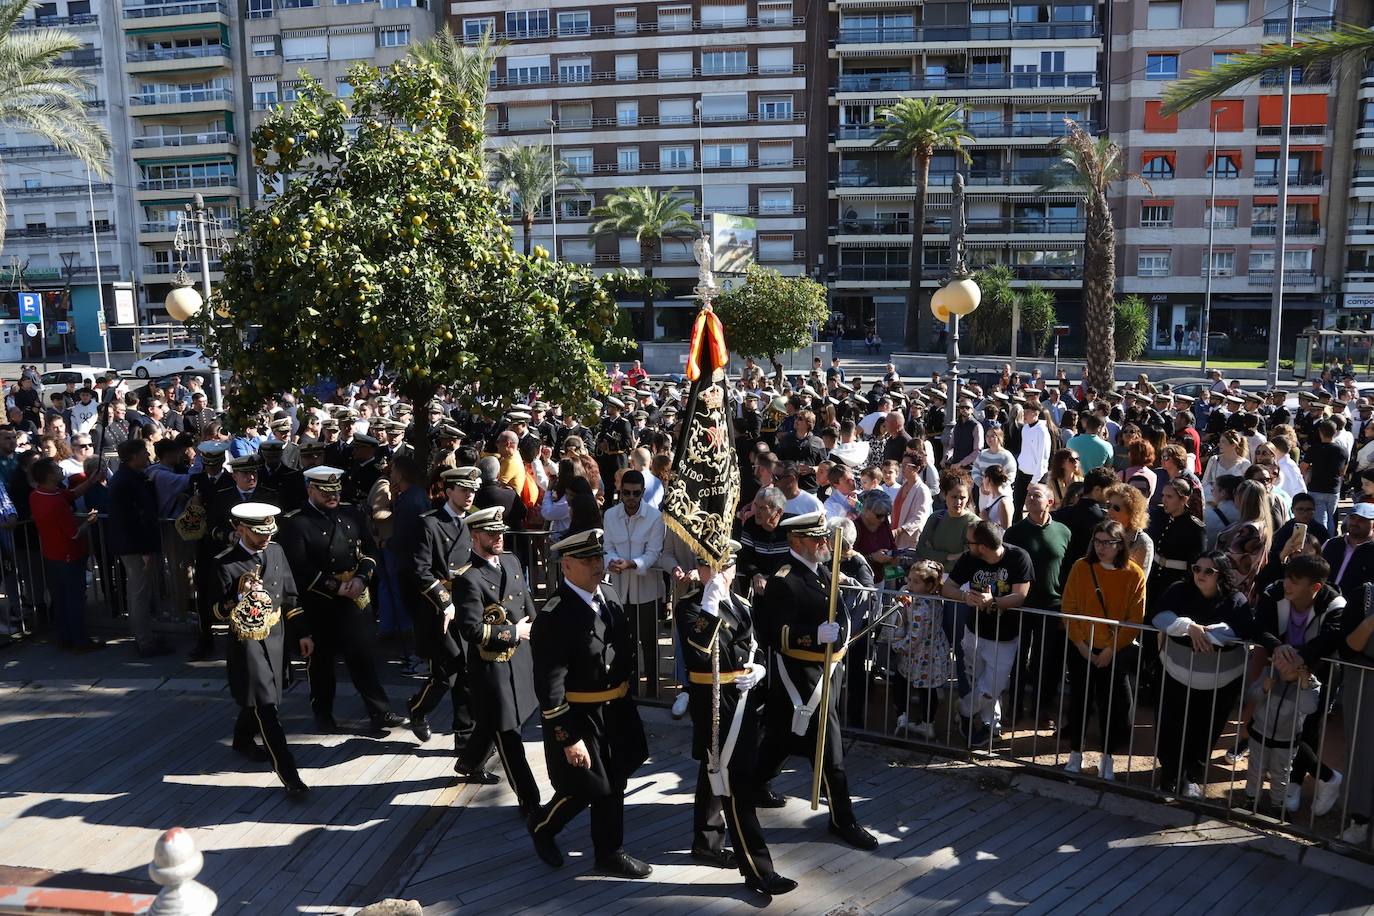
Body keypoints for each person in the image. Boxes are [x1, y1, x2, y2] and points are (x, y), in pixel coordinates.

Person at [527, 527, 652, 878]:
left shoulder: (609, 595)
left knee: (614, 781)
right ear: (566, 566)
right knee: (583, 787)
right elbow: (550, 688)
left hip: (615, 709)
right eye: (588, 560)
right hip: (580, 715)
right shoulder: (555, 617)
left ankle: (609, 852)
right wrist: (568, 737)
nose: (598, 564)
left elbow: (622, 651)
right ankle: (543, 826)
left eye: (599, 557)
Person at [674, 541, 797, 898]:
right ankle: (759, 870)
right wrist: (709, 604)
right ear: (702, 570)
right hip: (714, 702)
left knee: (714, 769)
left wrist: (758, 670)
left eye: (726, 567)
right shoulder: (690, 607)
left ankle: (706, 841)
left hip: (742, 698)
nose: (721, 575)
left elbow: (753, 646)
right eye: (712, 567)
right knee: (736, 784)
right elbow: (698, 649)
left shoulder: (741, 604)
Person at [751, 511, 878, 850]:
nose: (825, 542)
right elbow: (775, 632)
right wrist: (813, 635)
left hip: (827, 672)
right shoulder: (784, 579)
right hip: (801, 679)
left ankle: (753, 786)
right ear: (797, 541)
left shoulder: (820, 570)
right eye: (817, 538)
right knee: (829, 749)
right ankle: (843, 818)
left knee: (780, 737)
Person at [279, 466, 404, 734]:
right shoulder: (297, 522)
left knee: (362, 657)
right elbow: (299, 567)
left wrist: (361, 579)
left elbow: (370, 550)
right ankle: (323, 713)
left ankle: (379, 711)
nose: (333, 496)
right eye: (326, 492)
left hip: (353, 598)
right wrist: (336, 586)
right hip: (320, 603)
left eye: (336, 490)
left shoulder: (350, 513)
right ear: (310, 490)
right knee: (321, 664)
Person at [215, 501, 311, 799]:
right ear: (241, 529)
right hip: (247, 643)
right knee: (267, 708)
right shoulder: (224, 562)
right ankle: (290, 776)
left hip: (277, 638)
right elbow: (214, 611)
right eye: (259, 533)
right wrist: (236, 598)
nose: (265, 538)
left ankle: (242, 740)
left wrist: (304, 633)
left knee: (263, 700)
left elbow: (291, 596)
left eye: (269, 532)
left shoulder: (277, 551)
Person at [449, 505, 541, 801]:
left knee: (494, 722)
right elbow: (471, 631)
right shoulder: (467, 578)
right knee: (509, 734)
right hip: (491, 666)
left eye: (500, 532)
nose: (498, 538)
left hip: (520, 659)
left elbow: (526, 603)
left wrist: (539, 636)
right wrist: (515, 633)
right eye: (491, 533)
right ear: (475, 536)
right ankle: (531, 802)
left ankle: (469, 761)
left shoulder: (511, 561)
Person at [1151, 551, 1256, 797]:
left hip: (1220, 682)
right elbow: (1159, 615)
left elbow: (1243, 630)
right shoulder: (1179, 590)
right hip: (1175, 675)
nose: (1200, 575)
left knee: (1205, 729)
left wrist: (1206, 633)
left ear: (1221, 575)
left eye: (1208, 571)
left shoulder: (1235, 599)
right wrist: (1188, 626)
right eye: (1197, 568)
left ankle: (1193, 778)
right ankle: (1169, 778)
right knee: (1170, 727)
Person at [1251, 554, 1347, 816]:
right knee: (1273, 725)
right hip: (1281, 667)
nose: (1287, 584)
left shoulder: (1336, 604)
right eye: (1287, 577)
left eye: (1295, 581)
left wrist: (1299, 658)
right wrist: (1279, 648)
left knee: (1307, 730)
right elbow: (1260, 626)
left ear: (1315, 587)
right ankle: (1327, 777)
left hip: (1318, 674)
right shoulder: (1273, 592)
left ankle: (1295, 783)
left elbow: (1331, 637)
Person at [1060, 520, 1146, 780]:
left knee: (1113, 706)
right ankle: (1076, 752)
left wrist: (1111, 649)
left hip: (1115, 652)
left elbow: (1134, 619)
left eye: (1108, 542)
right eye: (1097, 541)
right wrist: (1081, 645)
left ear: (1121, 544)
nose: (1101, 547)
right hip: (1082, 648)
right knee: (1079, 702)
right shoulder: (1081, 567)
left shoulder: (1134, 574)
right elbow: (1069, 607)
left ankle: (1107, 757)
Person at [406, 466, 481, 749]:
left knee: (465, 673)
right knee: (444, 675)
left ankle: (464, 737)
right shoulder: (430, 524)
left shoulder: (475, 521)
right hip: (438, 609)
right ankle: (418, 708)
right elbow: (421, 571)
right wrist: (445, 602)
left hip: (469, 605)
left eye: (472, 490)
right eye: (464, 490)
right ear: (449, 491)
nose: (469, 495)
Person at [941, 520, 1033, 745]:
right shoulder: (969, 558)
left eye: (969, 542)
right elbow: (947, 587)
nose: (967, 546)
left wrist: (995, 602)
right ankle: (990, 726)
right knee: (977, 683)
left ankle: (963, 709)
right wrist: (965, 597)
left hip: (1005, 637)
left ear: (982, 546)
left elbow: (1020, 596)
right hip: (974, 632)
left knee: (992, 687)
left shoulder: (1019, 557)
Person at [1004, 483, 1072, 726]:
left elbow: (1067, 570)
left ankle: (1041, 708)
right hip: (1021, 604)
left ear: (1050, 502)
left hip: (1052, 605)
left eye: (1037, 495)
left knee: (1046, 661)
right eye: (1029, 494)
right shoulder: (1014, 533)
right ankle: (1015, 706)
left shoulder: (1064, 531)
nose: (1031, 498)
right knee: (1019, 658)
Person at [603, 470, 667, 699]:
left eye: (636, 493)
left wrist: (632, 564)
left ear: (642, 492)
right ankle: (626, 687)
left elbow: (654, 553)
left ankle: (651, 689)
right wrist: (611, 561)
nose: (630, 497)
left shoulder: (655, 517)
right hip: (621, 592)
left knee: (649, 643)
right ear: (621, 492)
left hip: (647, 591)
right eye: (626, 492)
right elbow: (607, 547)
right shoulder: (610, 515)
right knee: (623, 642)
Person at [107, 439, 173, 657]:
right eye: (144, 452)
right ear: (133, 456)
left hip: (137, 545)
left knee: (139, 592)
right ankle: (144, 641)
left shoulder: (132, 477)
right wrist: (144, 550)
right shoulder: (125, 481)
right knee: (139, 594)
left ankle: (144, 635)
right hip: (135, 547)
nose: (147, 455)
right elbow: (133, 520)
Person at [28, 458, 101, 651]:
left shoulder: (37, 495)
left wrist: (90, 481)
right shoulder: (55, 503)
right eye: (57, 469)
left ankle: (64, 638)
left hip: (51, 556)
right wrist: (89, 521)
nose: (61, 470)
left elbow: (72, 494)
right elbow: (74, 534)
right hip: (69, 556)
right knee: (74, 600)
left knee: (60, 600)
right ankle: (80, 641)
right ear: (51, 476)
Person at [886, 560, 950, 738]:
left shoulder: (922, 607)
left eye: (915, 582)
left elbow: (915, 636)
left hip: (923, 655)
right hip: (921, 654)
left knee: (925, 691)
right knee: (908, 684)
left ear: (929, 585)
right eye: (909, 580)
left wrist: (897, 645)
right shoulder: (929, 598)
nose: (909, 585)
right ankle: (908, 718)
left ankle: (925, 724)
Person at [1300, 420, 1346, 533]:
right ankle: (1329, 543)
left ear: (1320, 432)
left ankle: (1323, 544)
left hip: (1316, 488)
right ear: (1335, 432)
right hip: (1333, 489)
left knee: (1321, 521)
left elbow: (1303, 467)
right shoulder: (1342, 451)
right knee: (1330, 518)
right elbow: (1342, 472)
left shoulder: (1314, 449)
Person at [1105, 483, 1154, 574]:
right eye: (1108, 506)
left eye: (1116, 508)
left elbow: (1139, 580)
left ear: (1131, 513)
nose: (1110, 511)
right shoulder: (1101, 533)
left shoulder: (1142, 542)